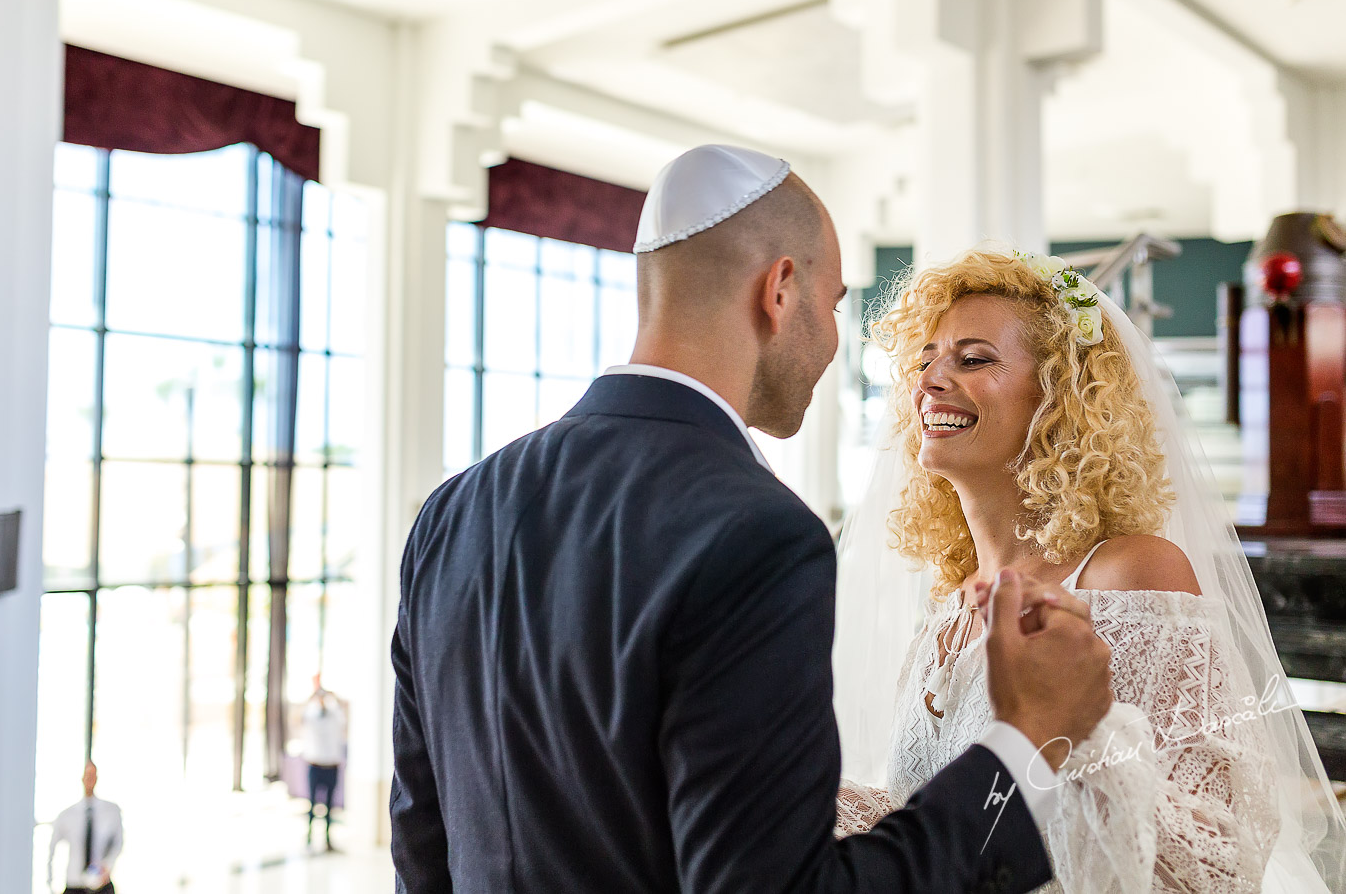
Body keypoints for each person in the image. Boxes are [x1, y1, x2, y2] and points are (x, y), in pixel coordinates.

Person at [390, 143, 1115, 893]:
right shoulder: (757, 533)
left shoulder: (454, 511)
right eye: (835, 306)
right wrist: (1024, 743)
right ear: (780, 290)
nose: (837, 342)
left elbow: (421, 842)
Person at [832, 248, 1346, 892]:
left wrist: (1078, 731)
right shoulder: (952, 605)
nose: (930, 380)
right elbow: (941, 821)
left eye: (974, 358)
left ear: (1060, 397)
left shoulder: (1130, 574)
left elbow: (1214, 854)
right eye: (925, 359)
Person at [46, 761, 122, 894]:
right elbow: (52, 850)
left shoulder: (111, 811)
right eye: (87, 775)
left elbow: (118, 843)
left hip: (101, 884)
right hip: (75, 884)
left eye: (93, 775)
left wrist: (107, 866)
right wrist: (50, 883)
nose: (90, 779)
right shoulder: (67, 815)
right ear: (82, 778)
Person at [302, 674, 346, 850]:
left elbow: (344, 714)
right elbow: (299, 718)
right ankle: (310, 837)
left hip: (331, 765)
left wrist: (332, 696)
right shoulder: (311, 713)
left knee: (329, 805)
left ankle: (328, 839)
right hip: (315, 764)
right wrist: (312, 697)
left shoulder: (335, 713)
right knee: (312, 804)